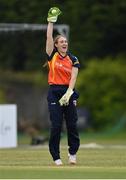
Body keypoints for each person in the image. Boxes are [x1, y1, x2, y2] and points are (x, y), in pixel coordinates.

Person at [46, 7, 80, 166]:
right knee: (57, 125)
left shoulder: (73, 59)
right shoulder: (52, 55)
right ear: (56, 45)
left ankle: (72, 153)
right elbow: (48, 37)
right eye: (61, 41)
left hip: (68, 91)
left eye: (65, 41)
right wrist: (51, 22)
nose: (64, 43)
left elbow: (74, 76)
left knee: (72, 125)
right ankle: (56, 156)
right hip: (54, 92)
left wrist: (69, 92)